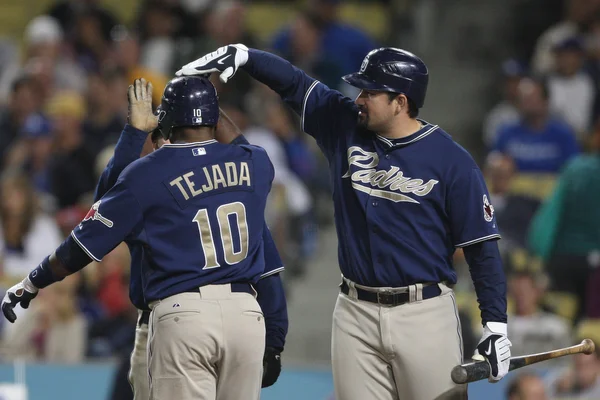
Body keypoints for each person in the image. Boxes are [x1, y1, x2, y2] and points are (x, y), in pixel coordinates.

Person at [176, 44, 511, 399]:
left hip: (424, 314)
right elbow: (295, 84)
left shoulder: (451, 161)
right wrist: (246, 56)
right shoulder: (344, 124)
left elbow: (481, 248)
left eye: (370, 91)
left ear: (401, 101)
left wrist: (495, 326)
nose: (360, 98)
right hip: (355, 311)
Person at [2, 76, 287, 400]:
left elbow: (89, 232)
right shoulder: (255, 163)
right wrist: (275, 339)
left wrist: (33, 282)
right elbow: (269, 270)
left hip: (181, 314)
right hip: (245, 316)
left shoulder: (149, 174)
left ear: (165, 125)